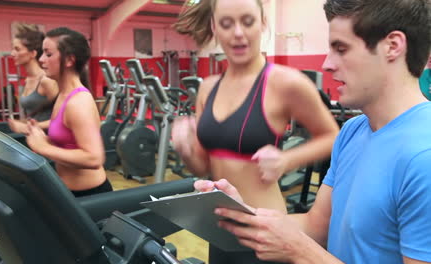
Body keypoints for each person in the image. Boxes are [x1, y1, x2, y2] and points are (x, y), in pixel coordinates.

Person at [195, 0, 431, 263]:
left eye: (341, 49)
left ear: (392, 46)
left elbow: (304, 246)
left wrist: (299, 251)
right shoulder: (352, 131)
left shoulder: (423, 157)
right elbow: (316, 226)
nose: (327, 65)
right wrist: (243, 215)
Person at [172, 0, 339, 263]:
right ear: (215, 26)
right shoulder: (208, 88)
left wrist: (287, 160)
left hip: (264, 233)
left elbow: (333, 136)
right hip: (219, 230)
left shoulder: (285, 82)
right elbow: (203, 166)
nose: (238, 33)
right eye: (227, 24)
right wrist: (186, 149)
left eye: (247, 21)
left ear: (262, 22)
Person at [25, 27, 112, 197]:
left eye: (48, 54)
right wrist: (44, 139)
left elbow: (94, 158)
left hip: (90, 196)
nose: (41, 59)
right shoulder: (63, 95)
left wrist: (43, 148)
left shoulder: (78, 102)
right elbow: (69, 143)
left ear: (69, 60)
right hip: (68, 191)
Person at [8, 23, 58, 134]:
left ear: (33, 53)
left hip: (51, 141)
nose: (12, 53)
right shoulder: (28, 80)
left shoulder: (46, 81)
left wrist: (27, 128)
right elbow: (37, 116)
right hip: (35, 139)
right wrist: (23, 123)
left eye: (17, 49)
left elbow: (64, 118)